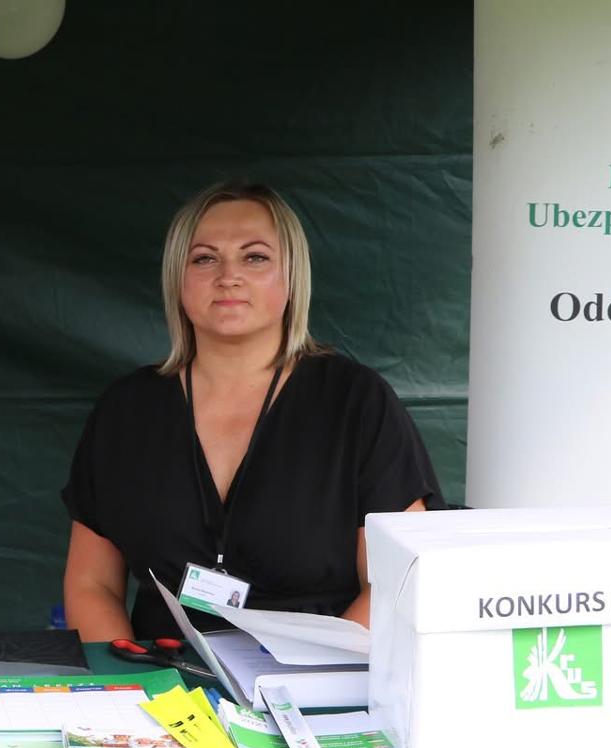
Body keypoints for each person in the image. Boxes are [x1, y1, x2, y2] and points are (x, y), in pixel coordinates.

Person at [61, 181, 443, 642]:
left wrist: (309, 680)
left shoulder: (356, 402)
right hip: (165, 687)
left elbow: (396, 585)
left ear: (291, 275)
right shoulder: (127, 410)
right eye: (204, 258)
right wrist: (128, 684)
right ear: (177, 278)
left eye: (255, 256)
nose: (228, 276)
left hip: (321, 688)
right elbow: (92, 584)